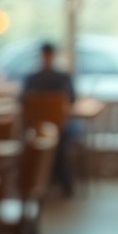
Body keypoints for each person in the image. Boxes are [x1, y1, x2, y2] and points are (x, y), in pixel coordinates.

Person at [21, 41, 80, 196]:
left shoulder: (62, 77)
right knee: (48, 141)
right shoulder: (32, 78)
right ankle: (54, 182)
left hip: (60, 125)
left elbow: (71, 100)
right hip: (39, 126)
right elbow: (23, 101)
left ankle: (60, 182)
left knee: (59, 141)